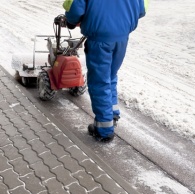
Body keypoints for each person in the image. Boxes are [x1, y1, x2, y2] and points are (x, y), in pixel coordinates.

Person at [63, 0, 149, 142]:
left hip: (99, 39)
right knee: (110, 75)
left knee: (99, 82)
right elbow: (142, 9)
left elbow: (74, 8)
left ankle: (104, 129)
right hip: (122, 37)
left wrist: (71, 21)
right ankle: (112, 113)